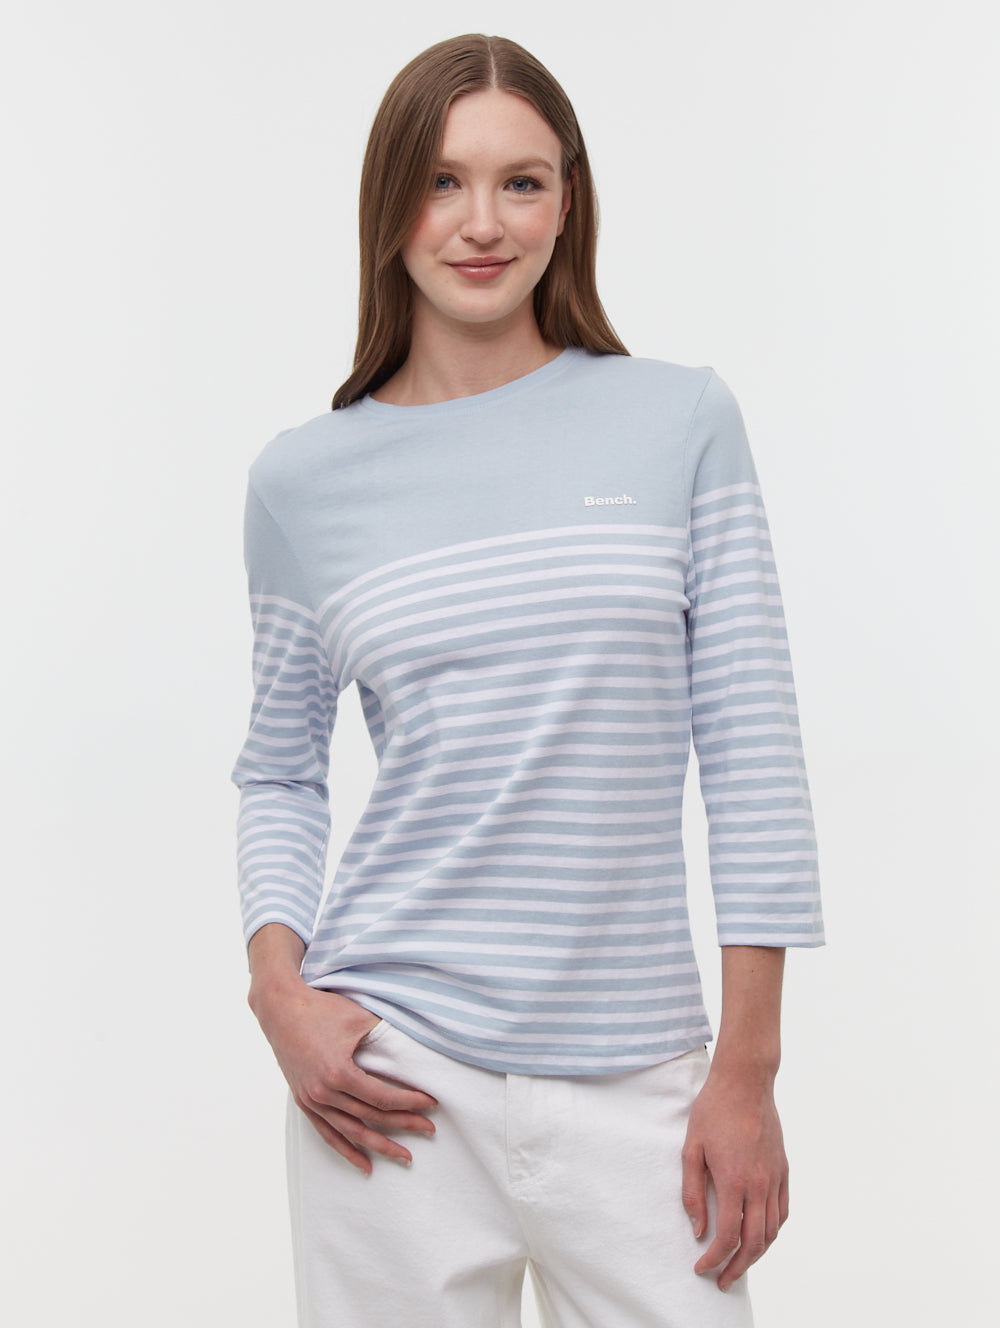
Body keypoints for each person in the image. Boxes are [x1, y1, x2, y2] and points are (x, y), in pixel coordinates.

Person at [229, 31, 824, 1328]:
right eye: (442, 182)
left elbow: (753, 751)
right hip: (389, 1082)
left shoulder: (679, 420)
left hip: (645, 1083)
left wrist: (748, 1070)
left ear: (569, 200)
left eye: (522, 182)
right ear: (389, 204)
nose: (483, 223)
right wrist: (280, 991)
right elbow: (279, 768)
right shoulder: (302, 482)